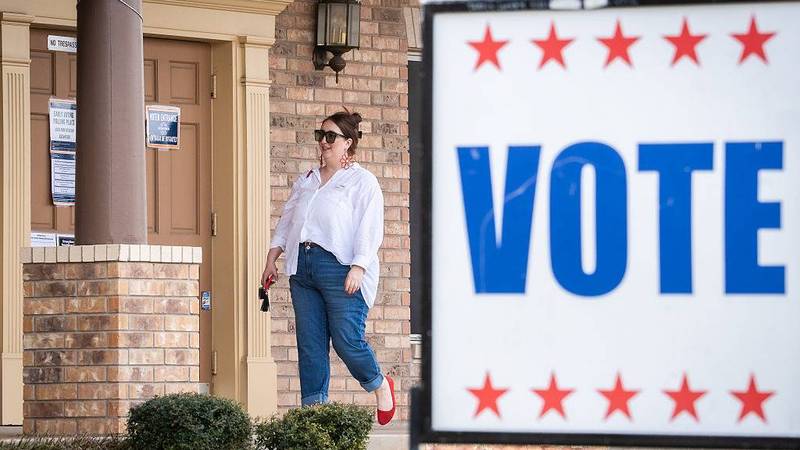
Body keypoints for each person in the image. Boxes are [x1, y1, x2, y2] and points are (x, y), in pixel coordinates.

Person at [261, 110, 395, 425]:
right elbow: (287, 222)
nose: (323, 142)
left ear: (348, 142)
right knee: (310, 344)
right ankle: (314, 416)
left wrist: (359, 266)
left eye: (331, 136)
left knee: (347, 338)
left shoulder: (362, 181)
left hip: (341, 268)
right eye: (320, 135)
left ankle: (379, 385)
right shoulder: (306, 180)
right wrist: (271, 258)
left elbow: (370, 228)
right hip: (302, 269)